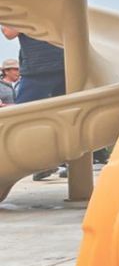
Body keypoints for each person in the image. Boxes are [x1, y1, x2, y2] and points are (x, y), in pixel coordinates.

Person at [2, 27, 68, 180]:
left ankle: (67, 163)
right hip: (42, 67)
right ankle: (43, 162)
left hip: (56, 65)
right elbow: (9, 32)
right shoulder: (21, 7)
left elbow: (8, 32)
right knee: (23, 120)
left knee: (67, 118)